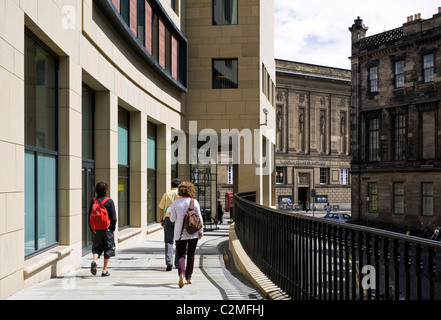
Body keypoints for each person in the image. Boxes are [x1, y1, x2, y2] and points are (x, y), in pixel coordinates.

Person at [169, 181, 204, 288]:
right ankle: (188, 277)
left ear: (180, 191)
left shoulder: (175, 203)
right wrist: (201, 231)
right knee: (191, 254)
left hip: (179, 234)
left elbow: (172, 219)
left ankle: (182, 274)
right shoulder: (194, 202)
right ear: (191, 190)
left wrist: (170, 213)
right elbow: (199, 218)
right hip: (193, 233)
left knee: (180, 255)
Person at [88, 182, 117, 277]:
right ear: (106, 190)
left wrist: (92, 229)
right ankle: (104, 270)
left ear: (96, 190)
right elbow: (113, 218)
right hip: (107, 229)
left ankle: (94, 260)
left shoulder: (93, 201)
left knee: (97, 248)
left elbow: (89, 216)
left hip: (97, 229)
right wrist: (112, 229)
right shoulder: (109, 201)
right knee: (108, 249)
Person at [158, 178, 181, 271]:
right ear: (179, 185)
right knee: (179, 241)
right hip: (179, 219)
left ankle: (169, 262)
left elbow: (161, 208)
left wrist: (161, 219)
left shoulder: (167, 194)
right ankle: (178, 263)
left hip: (168, 218)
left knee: (168, 240)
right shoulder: (181, 194)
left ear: (171, 185)